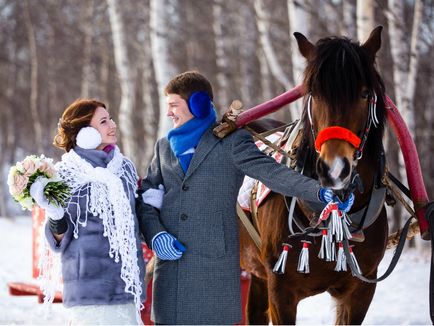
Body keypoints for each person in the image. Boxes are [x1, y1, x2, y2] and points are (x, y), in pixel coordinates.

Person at [136, 71, 354, 325]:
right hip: (170, 275)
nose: (169, 113)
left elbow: (274, 173)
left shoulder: (231, 143)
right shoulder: (163, 147)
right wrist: (155, 234)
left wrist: (319, 193)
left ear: (197, 104)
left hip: (213, 274)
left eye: (173, 105)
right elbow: (148, 199)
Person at [30, 99, 146, 325]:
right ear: (85, 132)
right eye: (103, 121)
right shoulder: (66, 174)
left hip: (127, 287)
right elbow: (58, 241)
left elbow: (137, 222)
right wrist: (55, 215)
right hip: (89, 290)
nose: (112, 125)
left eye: (110, 118)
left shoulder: (124, 168)